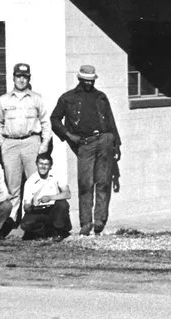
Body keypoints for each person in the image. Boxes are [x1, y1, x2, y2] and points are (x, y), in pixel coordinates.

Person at [50, 65, 121, 236]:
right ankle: (86, 222)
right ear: (79, 79)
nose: (89, 83)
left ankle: (100, 220)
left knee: (103, 182)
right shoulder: (68, 98)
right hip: (85, 143)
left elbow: (110, 120)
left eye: (91, 80)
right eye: (86, 80)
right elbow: (54, 119)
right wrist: (69, 135)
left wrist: (117, 143)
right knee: (85, 183)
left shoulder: (101, 97)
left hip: (104, 140)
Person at [0, 63, 52, 224]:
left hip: (31, 142)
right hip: (10, 143)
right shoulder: (3, 100)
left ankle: (34, 220)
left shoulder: (36, 98)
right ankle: (12, 219)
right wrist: (2, 142)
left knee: (35, 182)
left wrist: (43, 145)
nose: (21, 80)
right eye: (18, 76)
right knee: (12, 184)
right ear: (13, 77)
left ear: (29, 78)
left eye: (25, 77)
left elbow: (46, 123)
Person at [20, 154, 71, 242]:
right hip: (39, 210)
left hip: (53, 210)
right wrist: (30, 205)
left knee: (62, 204)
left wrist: (50, 198)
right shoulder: (30, 181)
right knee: (25, 224)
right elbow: (26, 205)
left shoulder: (56, 176)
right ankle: (42, 233)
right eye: (41, 164)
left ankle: (58, 231)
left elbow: (67, 194)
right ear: (36, 164)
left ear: (50, 166)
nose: (43, 167)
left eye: (46, 164)